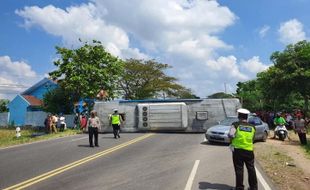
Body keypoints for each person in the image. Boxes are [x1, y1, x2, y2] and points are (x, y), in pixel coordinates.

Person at [228, 108, 257, 190]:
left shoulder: (235, 125)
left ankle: (240, 188)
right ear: (247, 117)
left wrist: (231, 141)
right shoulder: (252, 127)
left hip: (238, 150)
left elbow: (231, 135)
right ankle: (254, 188)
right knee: (251, 169)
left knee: (239, 169)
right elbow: (253, 139)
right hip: (249, 150)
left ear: (238, 116)